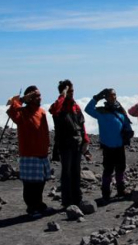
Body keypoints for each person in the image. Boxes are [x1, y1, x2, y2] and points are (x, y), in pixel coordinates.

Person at [6, 86, 52, 218]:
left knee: (40, 182)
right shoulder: (22, 112)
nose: (40, 98)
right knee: (30, 184)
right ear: (30, 98)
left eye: (39, 95)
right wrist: (21, 100)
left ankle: (39, 205)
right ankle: (32, 208)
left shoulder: (41, 112)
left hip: (42, 153)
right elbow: (11, 109)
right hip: (29, 154)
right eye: (36, 96)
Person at [84, 88, 133, 201]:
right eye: (111, 95)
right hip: (107, 146)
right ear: (105, 97)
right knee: (108, 170)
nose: (113, 97)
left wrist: (128, 133)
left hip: (119, 145)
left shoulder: (120, 111)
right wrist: (96, 98)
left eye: (114, 95)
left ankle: (121, 190)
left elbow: (126, 124)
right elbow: (87, 109)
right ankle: (106, 193)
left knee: (120, 168)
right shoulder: (101, 112)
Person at [49, 80, 91, 208]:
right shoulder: (59, 106)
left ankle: (77, 199)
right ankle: (67, 201)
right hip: (64, 144)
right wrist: (62, 95)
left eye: (72, 91)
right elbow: (54, 110)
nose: (72, 94)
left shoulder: (75, 106)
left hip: (77, 144)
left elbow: (81, 124)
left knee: (75, 171)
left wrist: (86, 142)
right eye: (69, 91)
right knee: (66, 172)